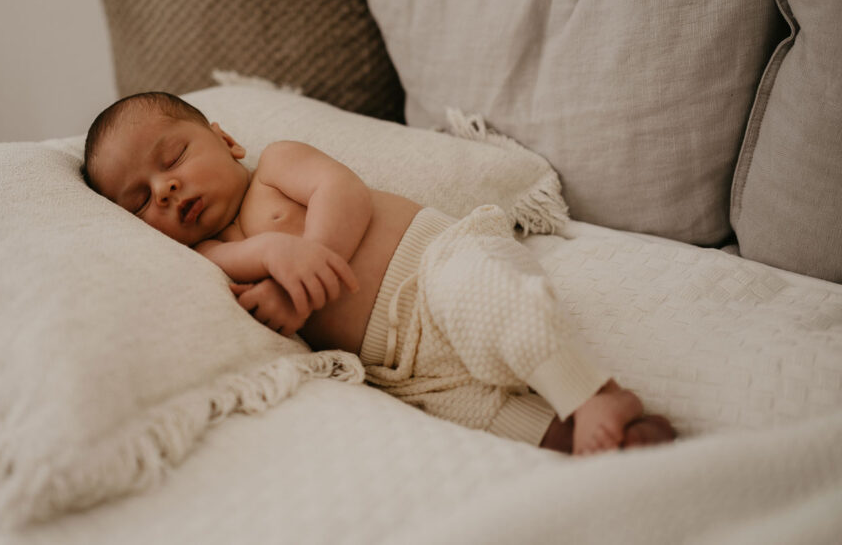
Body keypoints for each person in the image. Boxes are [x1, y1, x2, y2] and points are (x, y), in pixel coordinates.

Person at [82, 91, 676, 454]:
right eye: (140, 201)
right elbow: (250, 266)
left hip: (434, 265)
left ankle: (592, 395)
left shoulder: (277, 165)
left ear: (227, 140)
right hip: (403, 367)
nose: (166, 189)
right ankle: (590, 443)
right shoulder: (203, 253)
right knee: (480, 417)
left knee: (494, 302)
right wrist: (276, 263)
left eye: (173, 159)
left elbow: (346, 193)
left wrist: (311, 256)